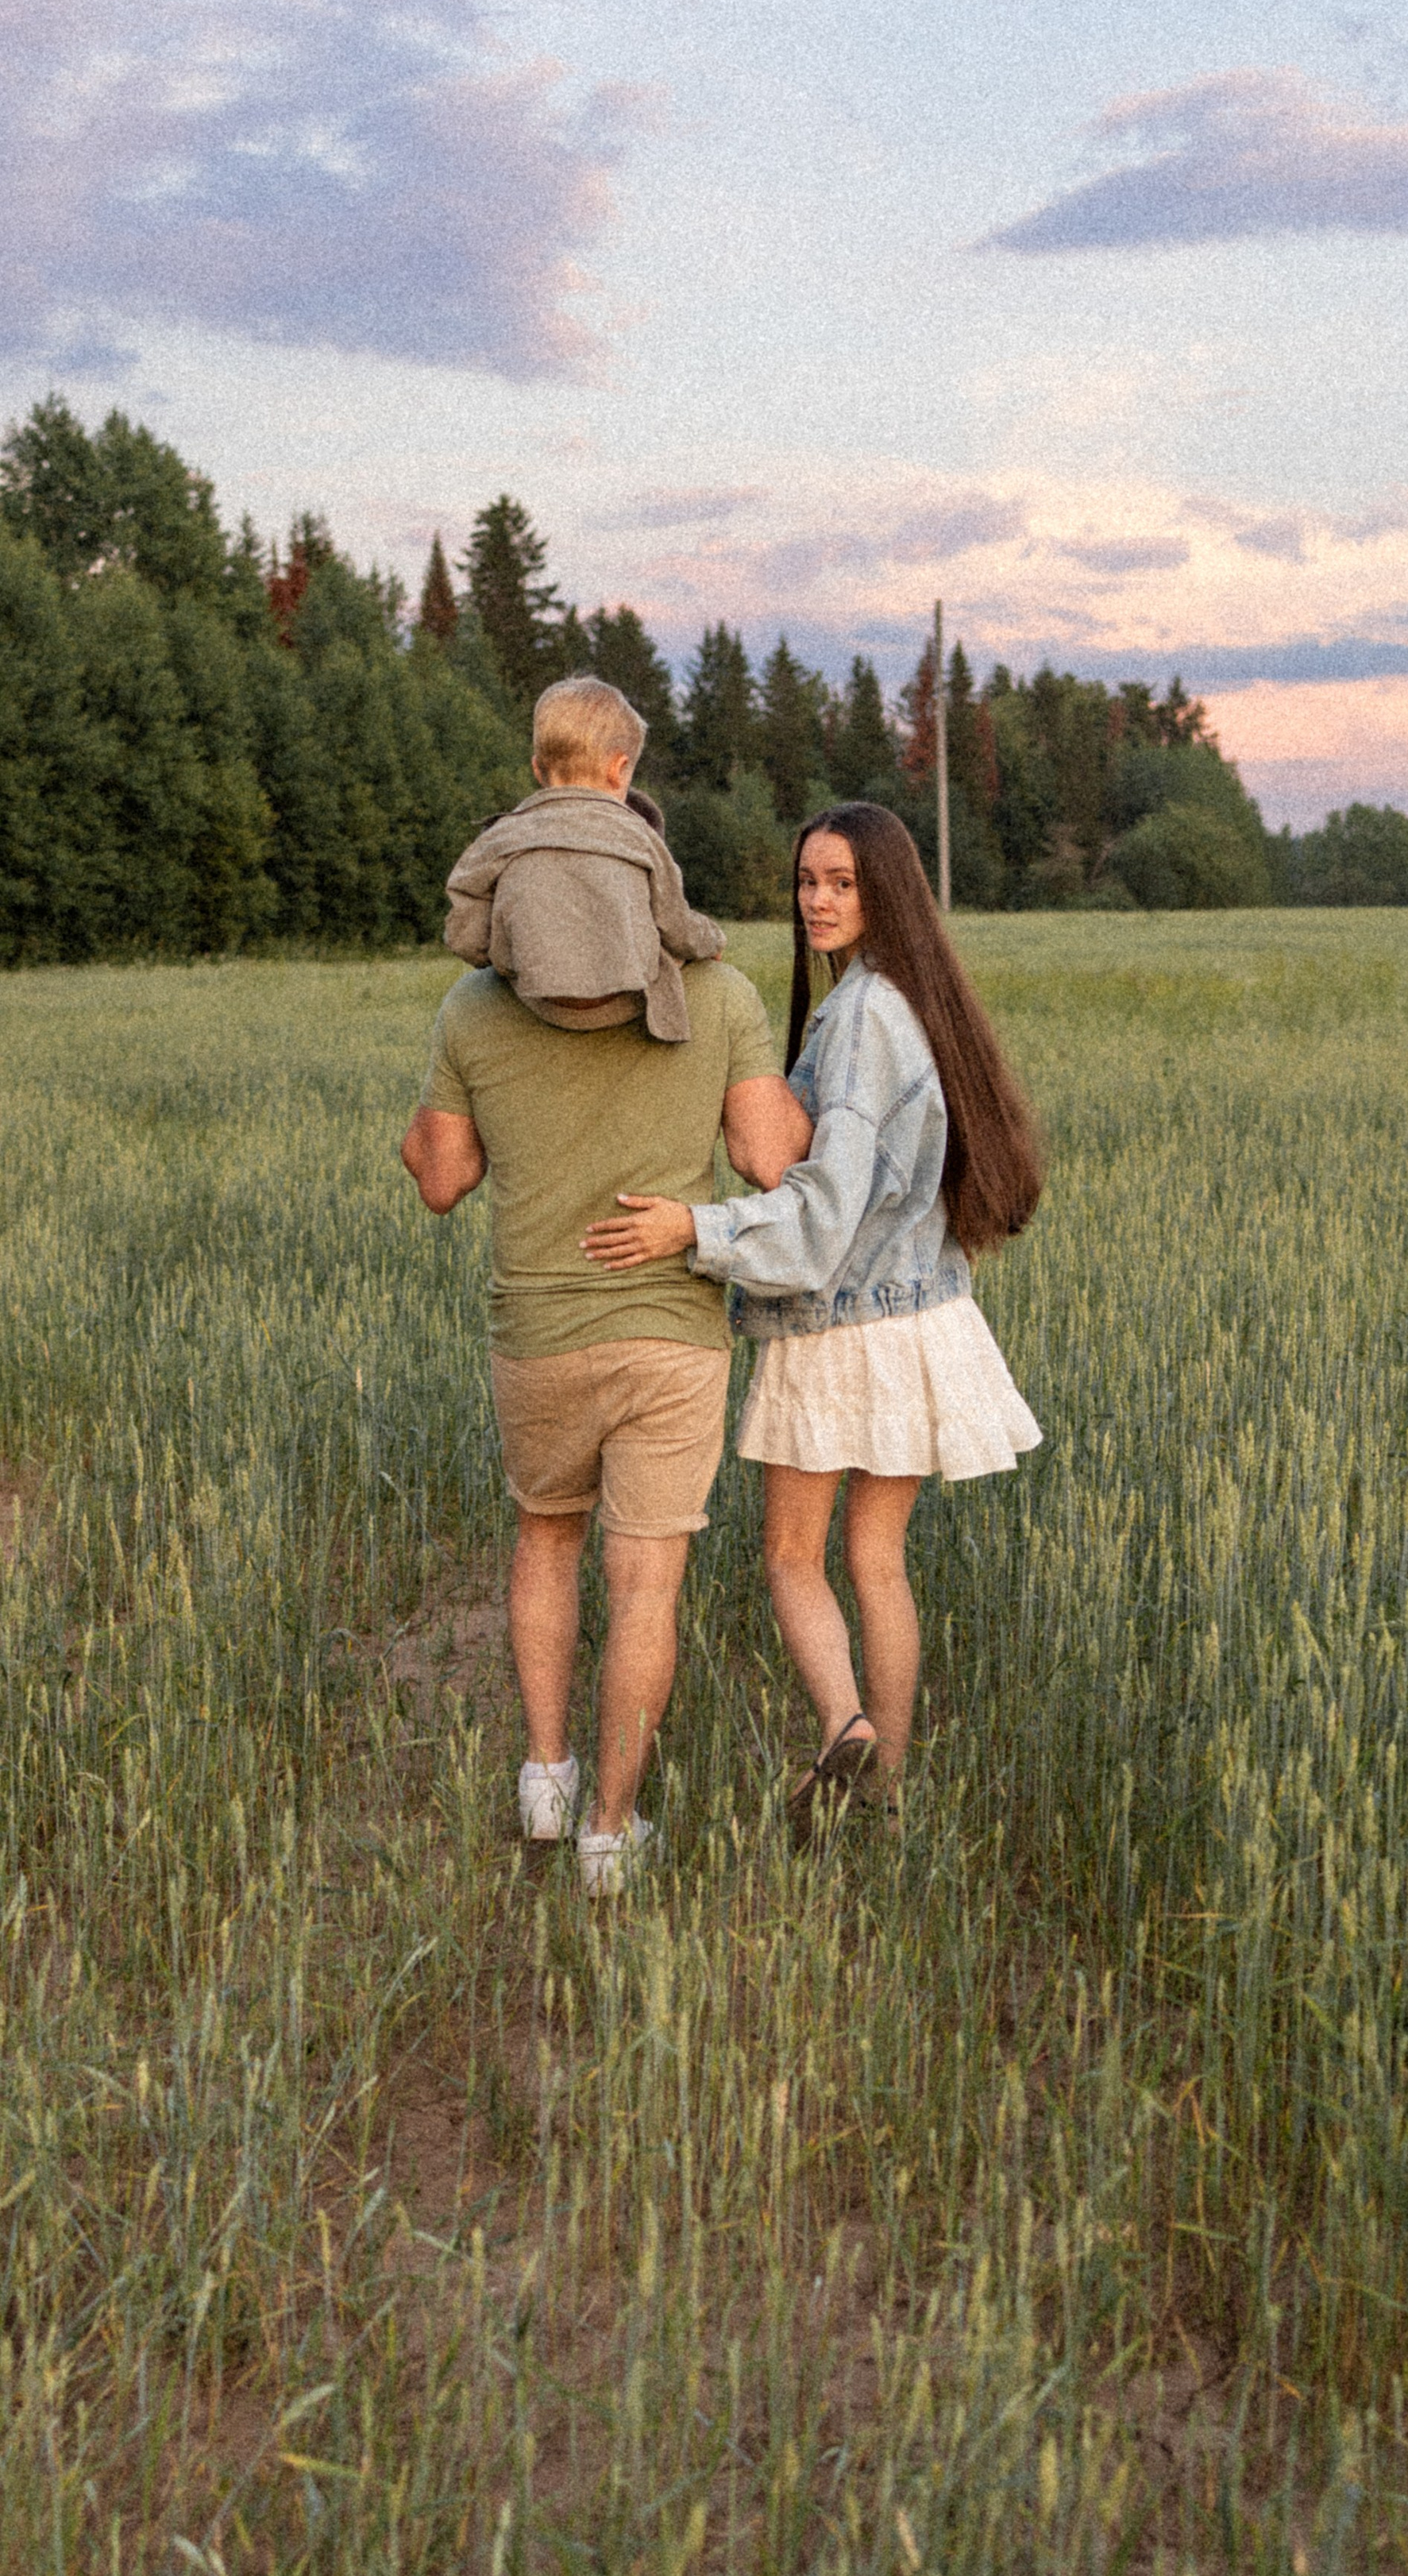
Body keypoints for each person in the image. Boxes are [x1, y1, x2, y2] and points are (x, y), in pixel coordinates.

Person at [401, 716, 812, 1896]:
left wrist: (424, 1132)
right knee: (647, 1583)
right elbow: (770, 1162)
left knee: (545, 1538)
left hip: (536, 1329)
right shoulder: (719, 990)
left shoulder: (475, 1007)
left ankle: (546, 1776)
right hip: (672, 1334)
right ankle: (610, 1836)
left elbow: (441, 1182)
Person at [580, 800, 1043, 1838]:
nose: (820, 900)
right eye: (808, 882)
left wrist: (693, 1230)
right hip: (921, 1322)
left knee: (795, 1555)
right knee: (878, 1559)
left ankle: (846, 1725)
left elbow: (824, 1216)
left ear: (886, 894)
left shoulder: (863, 1018)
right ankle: (888, 1785)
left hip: (843, 1330)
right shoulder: (911, 1004)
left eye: (842, 882)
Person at [443, 674, 725, 1041]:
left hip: (535, 1000)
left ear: (537, 768)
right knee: (665, 944)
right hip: (624, 1001)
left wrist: (503, 954)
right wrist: (712, 940)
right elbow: (677, 925)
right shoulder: (638, 835)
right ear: (618, 768)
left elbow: (463, 934)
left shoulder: (504, 835)